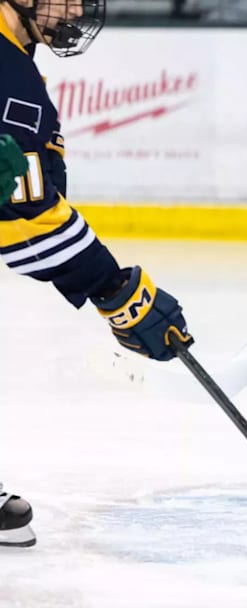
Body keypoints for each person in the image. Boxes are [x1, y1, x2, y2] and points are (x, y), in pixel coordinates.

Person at [0, 0, 194, 548]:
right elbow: (26, 218)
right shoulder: (8, 74)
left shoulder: (16, 61)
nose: (81, 8)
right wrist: (111, 287)